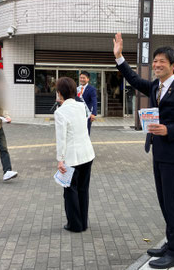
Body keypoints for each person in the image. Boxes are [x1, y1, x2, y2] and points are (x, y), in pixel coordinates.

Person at [113, 33, 174, 269]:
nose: (156, 65)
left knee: (173, 203)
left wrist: (169, 129)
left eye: (162, 61)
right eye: (155, 61)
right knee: (164, 202)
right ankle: (170, 244)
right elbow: (133, 79)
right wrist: (120, 57)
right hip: (159, 153)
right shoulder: (156, 86)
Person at [55, 77, 95, 232]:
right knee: (83, 190)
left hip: (72, 157)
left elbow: (61, 139)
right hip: (87, 153)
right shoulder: (81, 106)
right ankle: (83, 222)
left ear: (60, 93)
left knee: (70, 191)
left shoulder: (60, 112)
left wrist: (60, 160)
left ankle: (75, 225)